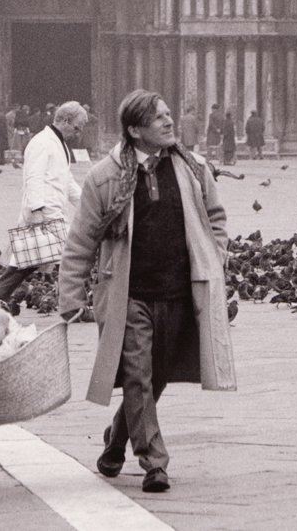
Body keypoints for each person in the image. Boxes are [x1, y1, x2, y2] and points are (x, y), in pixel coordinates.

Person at [59, 91, 235, 494]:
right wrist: (70, 296)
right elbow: (81, 240)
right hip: (129, 294)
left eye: (169, 114)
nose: (170, 122)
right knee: (138, 375)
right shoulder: (105, 177)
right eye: (159, 118)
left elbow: (216, 218)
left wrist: (215, 253)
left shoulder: (193, 169)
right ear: (135, 130)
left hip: (178, 292)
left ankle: (116, 441)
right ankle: (155, 462)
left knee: (156, 378)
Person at [0, 101, 87, 308]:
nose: (78, 133)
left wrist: (87, 203)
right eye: (77, 127)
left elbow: (67, 180)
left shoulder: (59, 144)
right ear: (65, 121)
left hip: (52, 211)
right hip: (44, 212)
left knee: (27, 262)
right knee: (73, 257)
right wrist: (37, 211)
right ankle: (75, 305)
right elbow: (33, 178)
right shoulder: (41, 142)